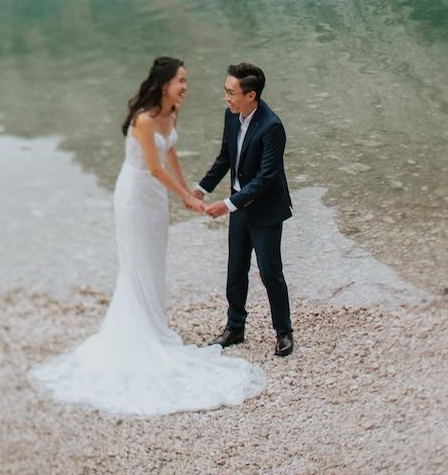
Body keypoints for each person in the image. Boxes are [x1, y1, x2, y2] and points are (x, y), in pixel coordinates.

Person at [29, 56, 265, 415]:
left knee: (154, 262)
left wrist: (192, 192)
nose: (185, 87)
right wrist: (185, 198)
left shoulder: (169, 114)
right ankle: (137, 333)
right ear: (163, 83)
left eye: (186, 81)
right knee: (136, 263)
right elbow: (154, 167)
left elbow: (171, 155)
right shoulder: (142, 119)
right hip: (134, 195)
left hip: (155, 197)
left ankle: (154, 326)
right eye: (180, 81)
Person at [195, 62, 294, 357]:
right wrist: (202, 188)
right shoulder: (231, 115)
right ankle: (235, 327)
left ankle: (284, 332)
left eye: (231, 92)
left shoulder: (272, 126)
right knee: (235, 268)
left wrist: (226, 205)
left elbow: (265, 179)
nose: (227, 98)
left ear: (251, 95)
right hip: (239, 207)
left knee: (269, 271)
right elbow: (226, 156)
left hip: (265, 210)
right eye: (226, 91)